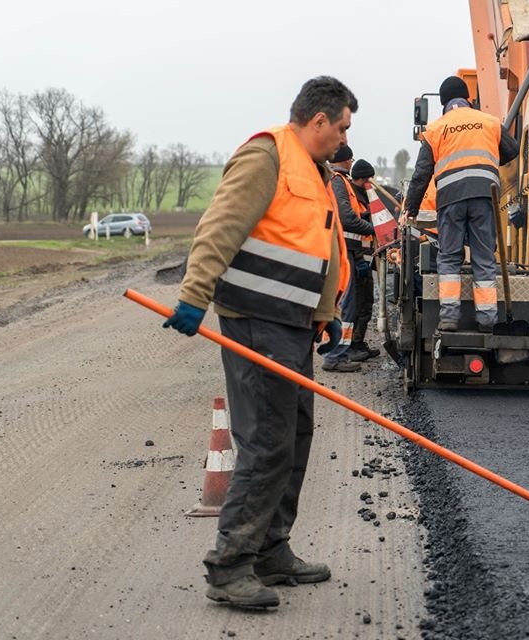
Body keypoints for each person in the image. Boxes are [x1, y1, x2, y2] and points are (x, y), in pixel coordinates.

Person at [162, 76, 358, 609]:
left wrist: (325, 312)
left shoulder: (313, 171)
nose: (343, 138)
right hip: (257, 321)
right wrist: (194, 295)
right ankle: (230, 567)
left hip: (292, 324)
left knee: (295, 433)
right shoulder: (266, 156)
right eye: (340, 127)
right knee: (267, 441)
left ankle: (272, 549)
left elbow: (315, 243)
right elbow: (219, 227)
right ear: (318, 120)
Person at [402, 76, 520, 332]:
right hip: (484, 195)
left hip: (450, 199)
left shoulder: (435, 129)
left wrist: (410, 209)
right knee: (483, 256)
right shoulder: (489, 122)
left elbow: (422, 174)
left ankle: (449, 318)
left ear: (443, 102)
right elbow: (512, 151)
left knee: (449, 257)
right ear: (468, 98)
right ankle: (488, 319)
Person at [321, 145, 372, 372]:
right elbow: (346, 218)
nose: (352, 163)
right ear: (344, 160)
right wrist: (372, 228)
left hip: (346, 249)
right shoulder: (338, 181)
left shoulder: (340, 181)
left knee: (347, 304)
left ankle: (339, 352)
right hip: (342, 249)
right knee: (345, 305)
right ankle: (335, 355)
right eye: (350, 160)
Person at [345, 158, 380, 362]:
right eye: (369, 179)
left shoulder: (363, 197)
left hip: (364, 258)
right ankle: (349, 346)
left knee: (367, 302)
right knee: (356, 304)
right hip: (355, 256)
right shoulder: (353, 196)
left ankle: (358, 342)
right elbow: (352, 224)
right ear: (363, 179)